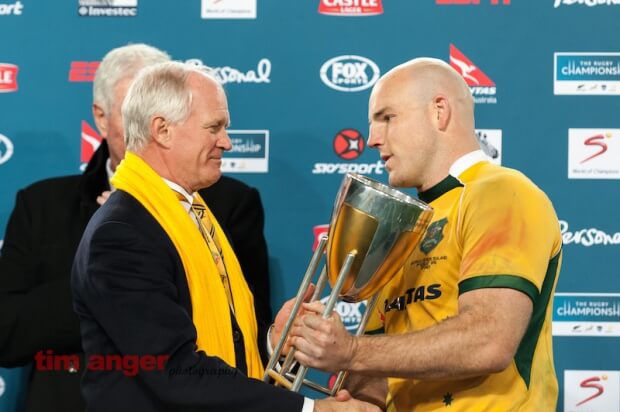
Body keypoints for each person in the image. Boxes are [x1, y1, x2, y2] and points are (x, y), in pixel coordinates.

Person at [71, 61, 378, 412]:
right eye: (214, 127)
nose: (227, 143)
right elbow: (174, 370)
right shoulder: (121, 233)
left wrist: (270, 342)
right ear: (163, 130)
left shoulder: (193, 212)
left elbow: (216, 343)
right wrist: (312, 409)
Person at [0, 43, 271, 412]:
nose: (139, 121)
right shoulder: (42, 205)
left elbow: (244, 328)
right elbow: (7, 332)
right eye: (132, 108)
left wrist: (275, 336)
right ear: (102, 115)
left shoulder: (224, 204)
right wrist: (110, 290)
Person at [289, 58, 562, 411]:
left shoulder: (501, 192)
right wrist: (355, 399)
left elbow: (489, 341)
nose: (372, 139)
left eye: (387, 117)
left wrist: (352, 351)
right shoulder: (400, 226)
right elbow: (377, 367)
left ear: (439, 112)